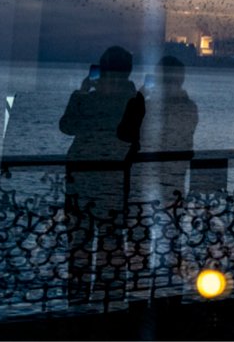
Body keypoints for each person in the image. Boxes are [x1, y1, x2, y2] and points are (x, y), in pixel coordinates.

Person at [59, 46, 145, 303]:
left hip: (82, 180)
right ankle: (112, 299)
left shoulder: (88, 99)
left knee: (80, 244)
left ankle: (78, 301)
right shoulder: (135, 100)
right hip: (115, 181)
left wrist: (82, 92)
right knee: (112, 243)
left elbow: (67, 126)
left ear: (102, 69)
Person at [138, 56, 198, 206]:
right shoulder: (190, 107)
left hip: (147, 175)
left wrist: (139, 99)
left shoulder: (148, 107)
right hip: (177, 175)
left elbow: (132, 132)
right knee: (174, 218)